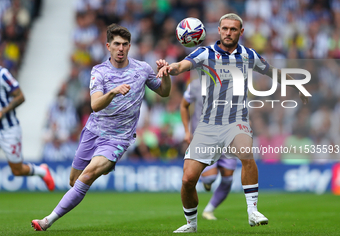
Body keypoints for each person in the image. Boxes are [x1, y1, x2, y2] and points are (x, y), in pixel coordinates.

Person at [157, 13, 308, 233]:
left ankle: (253, 211)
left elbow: (273, 72)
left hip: (236, 120)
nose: (229, 33)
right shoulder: (205, 53)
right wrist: (169, 68)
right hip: (207, 125)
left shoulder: (249, 55)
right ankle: (191, 224)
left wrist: (297, 86)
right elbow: (182, 65)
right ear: (218, 30)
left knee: (246, 152)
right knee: (188, 179)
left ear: (241, 32)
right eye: (225, 28)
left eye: (233, 29)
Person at [31, 24, 171, 231]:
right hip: (93, 132)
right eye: (116, 44)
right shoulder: (99, 72)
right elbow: (95, 105)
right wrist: (113, 92)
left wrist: (165, 75)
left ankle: (47, 221)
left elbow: (164, 93)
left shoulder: (142, 69)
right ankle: (105, 164)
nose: (121, 48)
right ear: (108, 46)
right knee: (74, 180)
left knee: (88, 175)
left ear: (130, 46)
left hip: (119, 138)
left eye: (124, 44)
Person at [180, 78, 237, 221]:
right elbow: (183, 105)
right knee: (211, 177)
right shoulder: (196, 84)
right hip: (204, 138)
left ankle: (209, 210)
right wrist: (187, 131)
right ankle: (207, 182)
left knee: (228, 179)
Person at [0, 66, 55, 191]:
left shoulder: (3, 74)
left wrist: (3, 112)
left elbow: (20, 97)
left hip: (9, 129)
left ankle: (42, 171)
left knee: (17, 170)